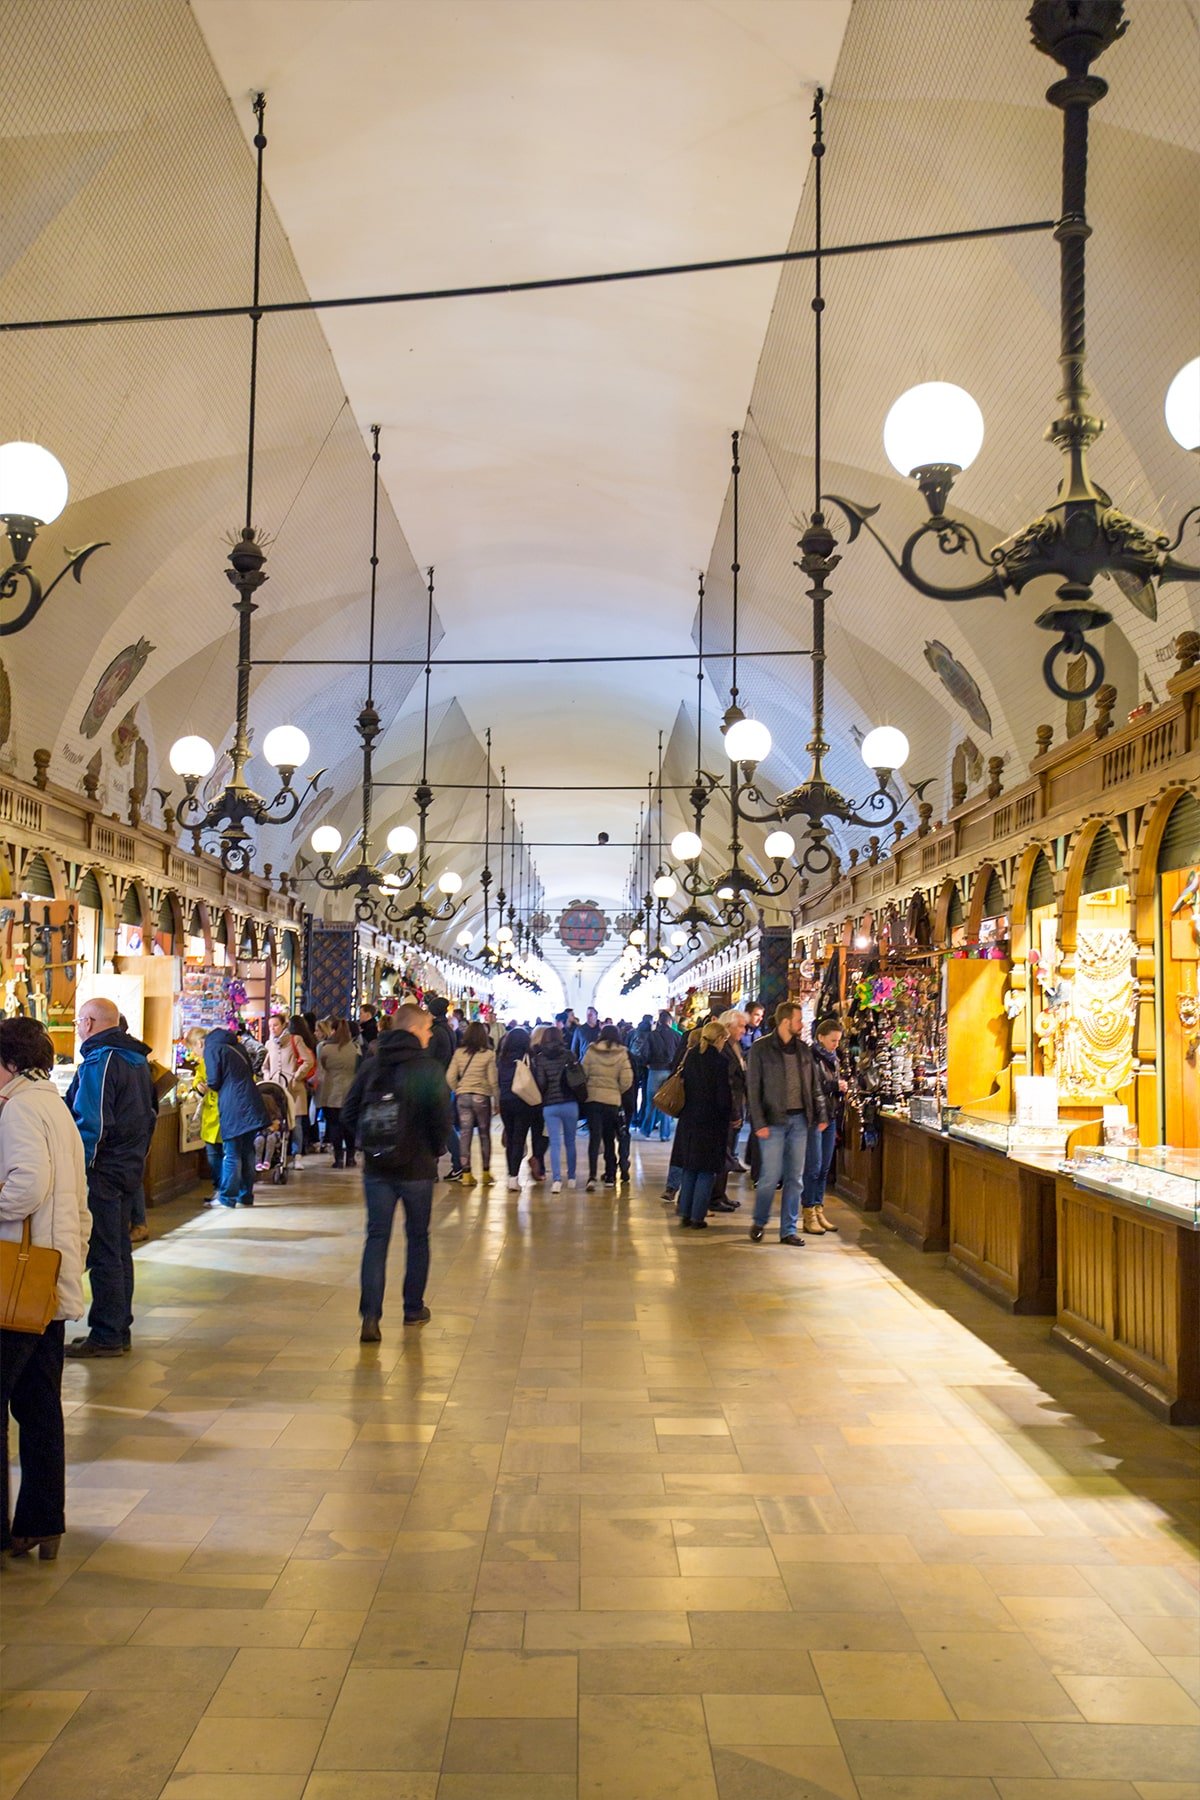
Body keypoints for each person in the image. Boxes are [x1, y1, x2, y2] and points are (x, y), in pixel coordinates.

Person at [0, 1018, 90, 1561]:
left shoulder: (17, 1109)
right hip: (48, 1280)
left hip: (15, 1283)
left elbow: (27, 1186)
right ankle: (41, 1521)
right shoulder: (53, 1105)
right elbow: (75, 1198)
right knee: (39, 1407)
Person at [341, 1003, 453, 1341]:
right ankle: (412, 1308)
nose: (431, 1034)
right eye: (428, 1028)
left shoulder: (372, 1065)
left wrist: (364, 1144)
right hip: (417, 1169)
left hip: (377, 1167)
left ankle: (371, 1317)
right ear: (415, 1030)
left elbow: (348, 1112)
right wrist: (434, 1150)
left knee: (377, 1238)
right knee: (417, 1237)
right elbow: (440, 1119)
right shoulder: (429, 1070)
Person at [64, 997, 156, 1357]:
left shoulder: (102, 1061)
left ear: (88, 1023)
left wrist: (78, 1167)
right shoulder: (136, 1059)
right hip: (128, 1168)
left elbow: (93, 1124)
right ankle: (119, 1328)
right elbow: (149, 1115)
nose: (77, 1028)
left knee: (104, 1252)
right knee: (118, 1250)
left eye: (77, 1022)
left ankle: (106, 1334)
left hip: (104, 1171)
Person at [745, 1000, 828, 1246]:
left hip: (800, 1120)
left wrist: (821, 1114)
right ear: (785, 1022)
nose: (802, 1025)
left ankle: (788, 1229)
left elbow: (814, 1086)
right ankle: (760, 1221)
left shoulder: (804, 1050)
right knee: (770, 1177)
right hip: (772, 1121)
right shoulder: (761, 1050)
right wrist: (758, 1122)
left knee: (795, 1177)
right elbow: (753, 1088)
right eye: (799, 1020)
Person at [673, 1019, 733, 1229]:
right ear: (719, 1039)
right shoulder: (719, 1062)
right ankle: (698, 1217)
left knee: (690, 1169)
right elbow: (722, 1097)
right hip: (710, 1123)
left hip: (689, 1120)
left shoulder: (690, 1057)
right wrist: (729, 1117)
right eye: (724, 1039)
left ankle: (685, 1213)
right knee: (706, 1171)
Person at [204, 1024, 268, 1208]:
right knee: (248, 1151)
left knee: (231, 1153)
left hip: (232, 1102)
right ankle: (245, 1195)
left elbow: (214, 1080)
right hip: (251, 1100)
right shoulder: (238, 1046)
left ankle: (227, 1198)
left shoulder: (213, 1048)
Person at [803, 1016, 845, 1235]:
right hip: (816, 1118)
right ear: (820, 1037)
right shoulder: (811, 1058)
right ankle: (808, 1211)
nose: (835, 1044)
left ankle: (819, 1209)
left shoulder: (832, 1058)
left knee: (824, 1167)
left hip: (830, 1115)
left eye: (838, 1040)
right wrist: (833, 1084)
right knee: (813, 1166)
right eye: (832, 1040)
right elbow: (811, 1086)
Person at [446, 1021, 500, 1186]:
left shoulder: (459, 1053)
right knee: (484, 1134)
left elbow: (449, 1077)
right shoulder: (489, 1054)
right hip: (481, 1097)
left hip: (463, 1096)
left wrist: (459, 1089)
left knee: (465, 1134)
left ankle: (467, 1174)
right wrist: (497, 1100)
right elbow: (493, 1081)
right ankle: (485, 1172)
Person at [582, 1026, 633, 1189]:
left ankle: (591, 1176)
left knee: (594, 1139)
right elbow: (627, 1080)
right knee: (609, 1138)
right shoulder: (622, 1053)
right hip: (612, 1101)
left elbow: (583, 1073)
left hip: (593, 1100)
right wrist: (616, 1091)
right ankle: (610, 1176)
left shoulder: (591, 1050)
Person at [532, 1024, 580, 1193]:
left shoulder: (540, 1058)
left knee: (554, 1142)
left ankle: (557, 1180)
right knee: (570, 1142)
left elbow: (541, 1083)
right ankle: (572, 1177)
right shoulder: (568, 1055)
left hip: (550, 1105)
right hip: (570, 1103)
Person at [708, 1009, 748, 1211]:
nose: (744, 1030)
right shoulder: (724, 1050)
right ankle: (714, 1197)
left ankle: (720, 1193)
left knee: (727, 1152)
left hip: (735, 1106)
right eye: (740, 1026)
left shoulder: (735, 1046)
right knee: (722, 1153)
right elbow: (728, 1083)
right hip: (726, 1109)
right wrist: (734, 1112)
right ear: (728, 1027)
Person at [424, 996, 464, 1178]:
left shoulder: (435, 1032)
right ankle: (456, 1162)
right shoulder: (448, 1030)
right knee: (442, 1124)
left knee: (441, 1125)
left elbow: (428, 1058)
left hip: (434, 1083)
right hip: (445, 1082)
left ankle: (456, 1162)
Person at [497, 1026, 539, 1191]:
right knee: (519, 1140)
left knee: (510, 1137)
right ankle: (514, 1178)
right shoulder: (528, 1058)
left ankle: (511, 1176)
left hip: (505, 1101)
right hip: (522, 1102)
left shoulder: (502, 1059)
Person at [317, 1019, 359, 1168]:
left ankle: (339, 1158)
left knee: (334, 1125)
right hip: (350, 1091)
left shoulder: (326, 1048)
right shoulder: (355, 1048)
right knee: (349, 1125)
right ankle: (351, 1157)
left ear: (333, 1030)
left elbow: (321, 1066)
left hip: (330, 1091)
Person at [641, 1009, 683, 1141]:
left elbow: (645, 1053)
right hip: (670, 1072)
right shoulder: (677, 1036)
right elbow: (681, 1054)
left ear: (659, 1021)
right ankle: (664, 1134)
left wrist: (647, 1063)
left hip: (654, 1070)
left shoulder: (651, 1035)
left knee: (651, 1102)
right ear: (670, 1021)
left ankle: (646, 1130)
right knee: (666, 1103)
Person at [287, 1014, 319, 1153]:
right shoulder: (311, 1039)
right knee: (304, 1116)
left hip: (296, 1082)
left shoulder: (294, 1040)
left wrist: (296, 1075)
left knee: (294, 1118)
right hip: (308, 1081)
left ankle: (293, 1149)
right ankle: (306, 1143)